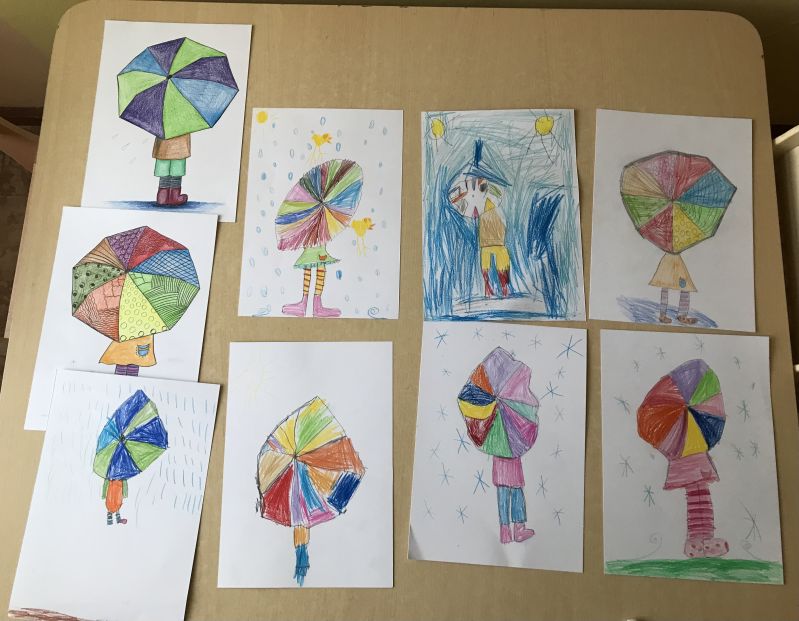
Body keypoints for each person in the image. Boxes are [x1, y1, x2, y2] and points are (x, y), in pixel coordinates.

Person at [448, 140, 512, 298]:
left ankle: (501, 288)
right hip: (488, 235)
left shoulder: (491, 194)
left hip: (496, 233)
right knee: (489, 259)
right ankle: (490, 288)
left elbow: (497, 191)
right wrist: (463, 194)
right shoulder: (478, 199)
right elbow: (456, 199)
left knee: (499, 258)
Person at [664, 450, 728, 558]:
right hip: (688, 458)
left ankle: (703, 540)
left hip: (692, 457)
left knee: (700, 494)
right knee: (697, 494)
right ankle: (699, 540)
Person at [493, 455, 535, 543]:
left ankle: (505, 533)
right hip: (514, 468)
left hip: (500, 469)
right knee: (517, 495)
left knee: (503, 498)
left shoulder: (495, 446)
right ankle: (519, 530)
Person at [650, 252, 698, 325]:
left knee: (685, 286)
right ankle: (662, 316)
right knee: (665, 285)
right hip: (668, 261)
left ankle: (682, 316)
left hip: (677, 261)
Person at [153, 134, 191, 206]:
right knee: (176, 172)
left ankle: (162, 197)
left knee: (163, 172)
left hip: (163, 149)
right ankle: (174, 197)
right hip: (179, 148)